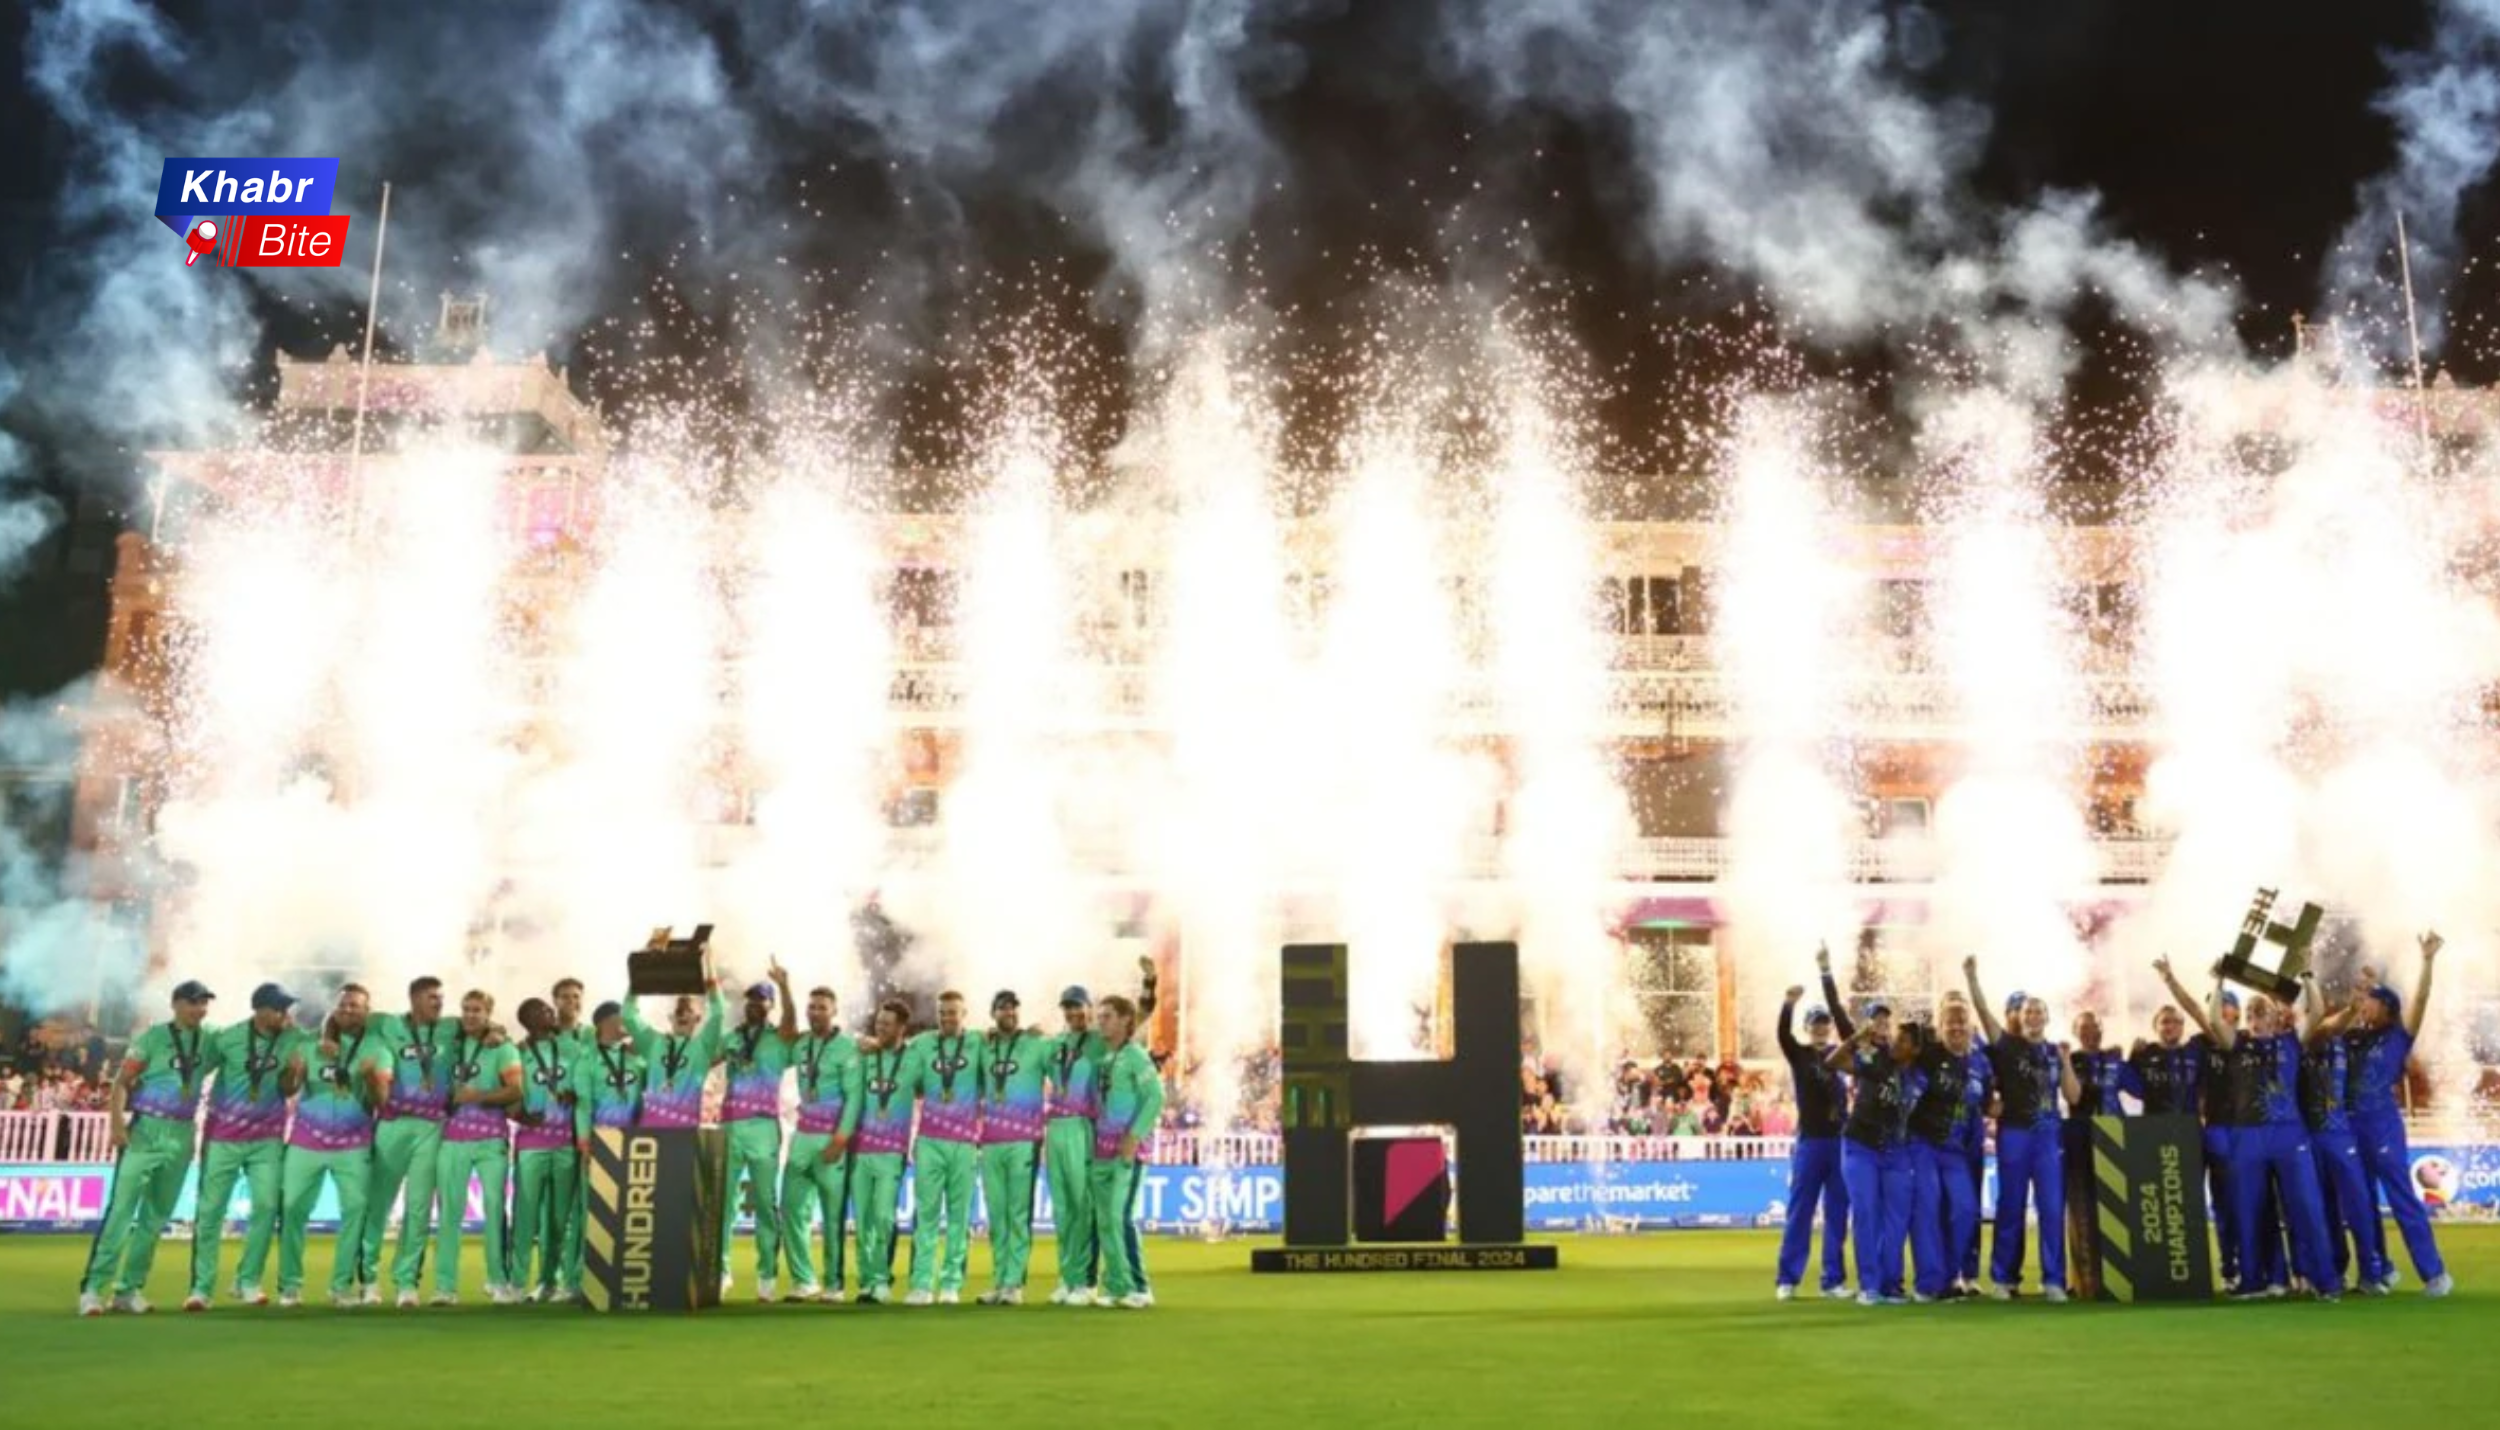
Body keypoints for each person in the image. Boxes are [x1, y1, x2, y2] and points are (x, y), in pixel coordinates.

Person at [78, 980, 217, 1316]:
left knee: (156, 1217)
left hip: (183, 1132)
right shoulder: (152, 1038)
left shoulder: (210, 1040)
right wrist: (115, 1125)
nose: (200, 1009)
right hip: (145, 1131)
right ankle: (93, 1289)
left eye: (204, 1003)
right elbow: (122, 1083)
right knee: (121, 1211)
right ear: (176, 1004)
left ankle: (129, 1289)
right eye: (193, 1002)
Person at [2208, 972, 2341, 1301]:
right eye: (2251, 1013)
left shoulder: (2290, 1041)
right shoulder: (2237, 1043)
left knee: (2307, 1208)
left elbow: (2318, 1012)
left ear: (2274, 1017)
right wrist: (2218, 985)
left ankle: (2325, 1281)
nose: (2256, 1019)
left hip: (2288, 1134)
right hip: (2247, 1134)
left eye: (2262, 1012)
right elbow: (2213, 1018)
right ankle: (2254, 1281)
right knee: (2248, 1209)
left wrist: (2309, 976)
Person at [186, 982, 307, 1310]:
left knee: (267, 1208)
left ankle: (248, 1281)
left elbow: (291, 1085)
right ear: (260, 1010)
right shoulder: (228, 1039)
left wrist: (295, 1074)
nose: (286, 1014)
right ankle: (201, 1288)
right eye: (279, 1008)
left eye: (287, 1008)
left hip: (267, 1140)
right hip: (223, 1138)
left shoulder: (293, 1039)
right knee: (210, 1213)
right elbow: (195, 1070)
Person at [1965, 958, 2080, 1301]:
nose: (2032, 1016)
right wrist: (1972, 977)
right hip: (2014, 1133)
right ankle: (2004, 1278)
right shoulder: (2007, 1046)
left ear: (2046, 1018)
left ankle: (2053, 1281)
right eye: (2027, 1011)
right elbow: (1984, 1013)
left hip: (2049, 1136)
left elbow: (2073, 1095)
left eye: (2038, 1012)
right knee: (2010, 1206)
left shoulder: (2054, 1051)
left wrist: (2067, 1061)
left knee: (2051, 1208)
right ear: (2020, 1017)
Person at [2346, 933, 2452, 1297]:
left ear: (2387, 1008)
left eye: (2371, 1002)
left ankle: (2435, 1274)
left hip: (2382, 1126)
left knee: (2402, 1198)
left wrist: (2427, 962)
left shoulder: (2397, 1036)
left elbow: (2420, 1000)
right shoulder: (2352, 1038)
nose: (2364, 1007)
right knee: (2360, 1203)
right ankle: (2377, 1273)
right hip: (2350, 1125)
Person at [278, 985, 391, 1308]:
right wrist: (293, 1071)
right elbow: (287, 1089)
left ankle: (340, 1287)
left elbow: (383, 1102)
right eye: (344, 1004)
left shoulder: (377, 1049)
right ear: (335, 1008)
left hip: (353, 1144)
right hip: (305, 1141)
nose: (348, 1010)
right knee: (293, 1210)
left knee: (355, 1211)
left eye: (356, 1006)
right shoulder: (310, 1044)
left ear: (367, 1011)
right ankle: (290, 1286)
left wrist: (371, 1079)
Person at [365, 976, 455, 1308]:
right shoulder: (386, 1024)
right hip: (393, 1124)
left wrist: (494, 1033)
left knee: (419, 1209)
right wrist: (331, 1035)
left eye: (440, 998)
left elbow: (486, 1028)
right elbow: (341, 1018)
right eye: (432, 998)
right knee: (377, 1206)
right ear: (414, 998)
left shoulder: (450, 1029)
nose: (438, 1003)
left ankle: (406, 1283)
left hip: (431, 1126)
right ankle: (369, 1281)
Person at [2297, 974, 2388, 1294]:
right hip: (2309, 1137)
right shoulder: (2298, 1041)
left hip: (2341, 1135)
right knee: (2323, 1210)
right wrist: (2353, 1005)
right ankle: (2335, 1272)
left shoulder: (2346, 1041)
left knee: (2359, 1208)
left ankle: (2372, 1272)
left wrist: (2359, 1003)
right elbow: (2327, 1026)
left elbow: (2346, 1027)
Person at [2157, 956, 2243, 1289]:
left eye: (2224, 1006)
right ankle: (2208, 1271)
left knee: (2240, 1204)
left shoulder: (2248, 1040)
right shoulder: (2202, 1044)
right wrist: (2170, 980)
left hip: (2247, 1132)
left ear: (2236, 1012)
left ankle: (2244, 1269)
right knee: (2207, 1205)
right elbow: (2192, 1009)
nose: (2217, 1012)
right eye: (2214, 1007)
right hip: (2212, 1131)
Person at [434, 989, 523, 1305]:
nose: (470, 1015)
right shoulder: (451, 1042)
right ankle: (445, 1287)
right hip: (452, 1139)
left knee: (495, 1211)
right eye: (466, 1009)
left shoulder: (503, 1048)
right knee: (449, 1216)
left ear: (488, 1014)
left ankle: (498, 1282)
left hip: (490, 1140)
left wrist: (478, 1097)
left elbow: (515, 1091)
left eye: (477, 1010)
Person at [1772, 948, 1851, 1301]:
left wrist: (1825, 970)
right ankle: (1788, 1279)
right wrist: (1789, 1004)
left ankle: (1832, 1280)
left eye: (1824, 1023)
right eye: (1815, 1024)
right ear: (1808, 1028)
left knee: (1838, 1212)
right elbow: (1783, 1037)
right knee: (1800, 1211)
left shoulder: (1841, 1055)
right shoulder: (1800, 1055)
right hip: (1810, 1142)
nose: (1820, 1028)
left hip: (1839, 1142)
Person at [719, 964, 799, 1302]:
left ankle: (766, 1275)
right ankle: (720, 1271)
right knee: (723, 1204)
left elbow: (793, 1024)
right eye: (750, 1000)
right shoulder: (733, 1037)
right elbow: (705, 1058)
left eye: (761, 1001)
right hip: (731, 1123)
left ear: (771, 1006)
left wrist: (784, 985)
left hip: (764, 1125)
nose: (753, 1005)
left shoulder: (779, 1039)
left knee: (766, 1204)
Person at [779, 984, 863, 1303]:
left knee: (832, 1215)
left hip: (831, 1139)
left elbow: (854, 1097)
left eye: (821, 1007)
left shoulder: (847, 1048)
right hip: (802, 1136)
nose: (815, 1012)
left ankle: (834, 1284)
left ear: (834, 1010)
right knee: (791, 1208)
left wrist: (840, 1140)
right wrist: (785, 988)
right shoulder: (801, 1045)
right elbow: (783, 1032)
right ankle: (804, 1281)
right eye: (811, 1007)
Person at [1829, 1017, 1919, 1306]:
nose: (1895, 1042)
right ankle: (1869, 1285)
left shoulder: (1920, 1076)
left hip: (1896, 1150)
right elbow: (1834, 1061)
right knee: (1866, 1212)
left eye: (1903, 1040)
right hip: (1860, 1146)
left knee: (1896, 1219)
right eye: (1896, 1037)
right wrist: (1856, 1037)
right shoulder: (1876, 1061)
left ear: (1915, 1050)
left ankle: (1891, 1284)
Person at [1906, 997, 1991, 1301]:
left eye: (1961, 1022)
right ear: (1939, 1027)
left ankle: (1951, 1275)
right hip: (1923, 1144)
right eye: (1949, 1022)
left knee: (1966, 1209)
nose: (1956, 1027)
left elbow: (1987, 1102)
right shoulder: (1927, 1056)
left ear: (1971, 1027)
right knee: (1927, 1207)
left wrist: (1998, 1107)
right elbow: (1909, 1096)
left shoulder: (1980, 1063)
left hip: (1956, 1150)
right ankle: (1928, 1284)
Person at [1089, 994, 1164, 1310]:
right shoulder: (1106, 1058)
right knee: (1106, 1219)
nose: (1101, 1021)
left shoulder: (1135, 1055)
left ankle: (1140, 1287)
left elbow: (1155, 1097)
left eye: (1107, 1016)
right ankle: (1118, 1286)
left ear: (1124, 1020)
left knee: (1121, 1216)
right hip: (1104, 1149)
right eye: (1100, 1016)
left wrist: (1134, 1136)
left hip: (1126, 1151)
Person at [906, 990, 981, 1305]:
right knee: (926, 1215)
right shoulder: (922, 1044)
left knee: (959, 1217)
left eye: (953, 1012)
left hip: (964, 1142)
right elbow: (907, 1075)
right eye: (942, 1013)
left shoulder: (981, 1042)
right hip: (930, 1140)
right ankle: (921, 1284)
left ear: (965, 1013)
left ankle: (950, 1283)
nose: (947, 1018)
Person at [977, 989, 1049, 1305]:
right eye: (1003, 1008)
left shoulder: (1035, 1044)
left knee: (1018, 1214)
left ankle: (1014, 1284)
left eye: (1013, 1008)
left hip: (1023, 1140)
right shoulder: (984, 1046)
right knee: (997, 1216)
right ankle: (999, 1280)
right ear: (993, 1013)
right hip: (991, 1141)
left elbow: (1065, 1058)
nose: (1009, 1013)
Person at [508, 997, 580, 1304]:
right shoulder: (518, 1052)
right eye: (543, 1011)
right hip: (531, 1144)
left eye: (550, 1010)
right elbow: (508, 1092)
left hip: (565, 1142)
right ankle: (516, 1283)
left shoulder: (570, 1047)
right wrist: (520, 1115)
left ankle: (549, 1281)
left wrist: (574, 1094)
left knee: (558, 1219)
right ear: (528, 1020)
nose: (551, 1013)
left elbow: (584, 1084)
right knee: (525, 1216)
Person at [849, 1000, 921, 1305]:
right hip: (862, 1149)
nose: (880, 1028)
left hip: (892, 1150)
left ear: (901, 1028)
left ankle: (881, 1278)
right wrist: (859, 1043)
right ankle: (866, 1280)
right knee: (862, 1219)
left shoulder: (915, 1057)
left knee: (882, 1217)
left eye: (887, 1024)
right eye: (878, 1022)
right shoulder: (866, 1056)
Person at [622, 966, 727, 1130]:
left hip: (685, 1132)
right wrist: (640, 976)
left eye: (688, 1010)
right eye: (678, 1010)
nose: (682, 1014)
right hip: (650, 1130)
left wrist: (711, 978)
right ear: (670, 1018)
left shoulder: (703, 1046)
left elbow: (718, 1013)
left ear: (698, 1019)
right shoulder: (653, 1042)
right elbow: (628, 1014)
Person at [549, 975, 593, 1297]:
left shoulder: (593, 1036)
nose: (571, 1001)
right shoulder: (541, 1038)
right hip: (551, 1134)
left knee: (585, 1211)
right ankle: (549, 1279)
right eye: (564, 996)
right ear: (555, 1001)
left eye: (575, 996)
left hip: (587, 1133)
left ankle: (576, 1279)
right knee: (555, 1213)